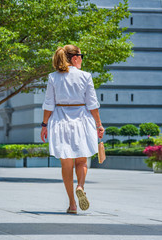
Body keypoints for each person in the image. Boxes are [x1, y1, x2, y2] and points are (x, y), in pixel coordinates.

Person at [41, 45, 105, 214]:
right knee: (82, 160)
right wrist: (99, 124)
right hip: (82, 120)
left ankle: (72, 204)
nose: (82, 59)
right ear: (74, 57)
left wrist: (44, 125)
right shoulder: (85, 76)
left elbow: (49, 103)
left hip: (60, 121)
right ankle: (81, 186)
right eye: (81, 55)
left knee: (66, 164)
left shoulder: (53, 77)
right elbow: (92, 104)